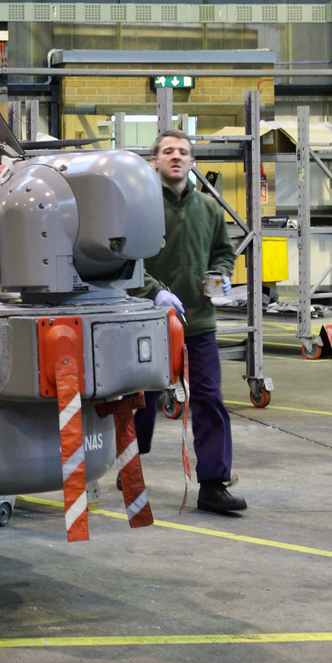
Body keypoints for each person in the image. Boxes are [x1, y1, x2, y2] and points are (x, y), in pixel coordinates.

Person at [132, 129, 248, 514]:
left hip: (198, 323)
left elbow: (224, 252)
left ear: (192, 161)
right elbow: (125, 260)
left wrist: (220, 273)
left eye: (183, 152)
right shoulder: (139, 207)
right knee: (140, 401)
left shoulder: (210, 209)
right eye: (168, 151)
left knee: (209, 400)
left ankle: (213, 484)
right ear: (155, 161)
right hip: (149, 321)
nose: (176, 157)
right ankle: (130, 466)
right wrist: (155, 292)